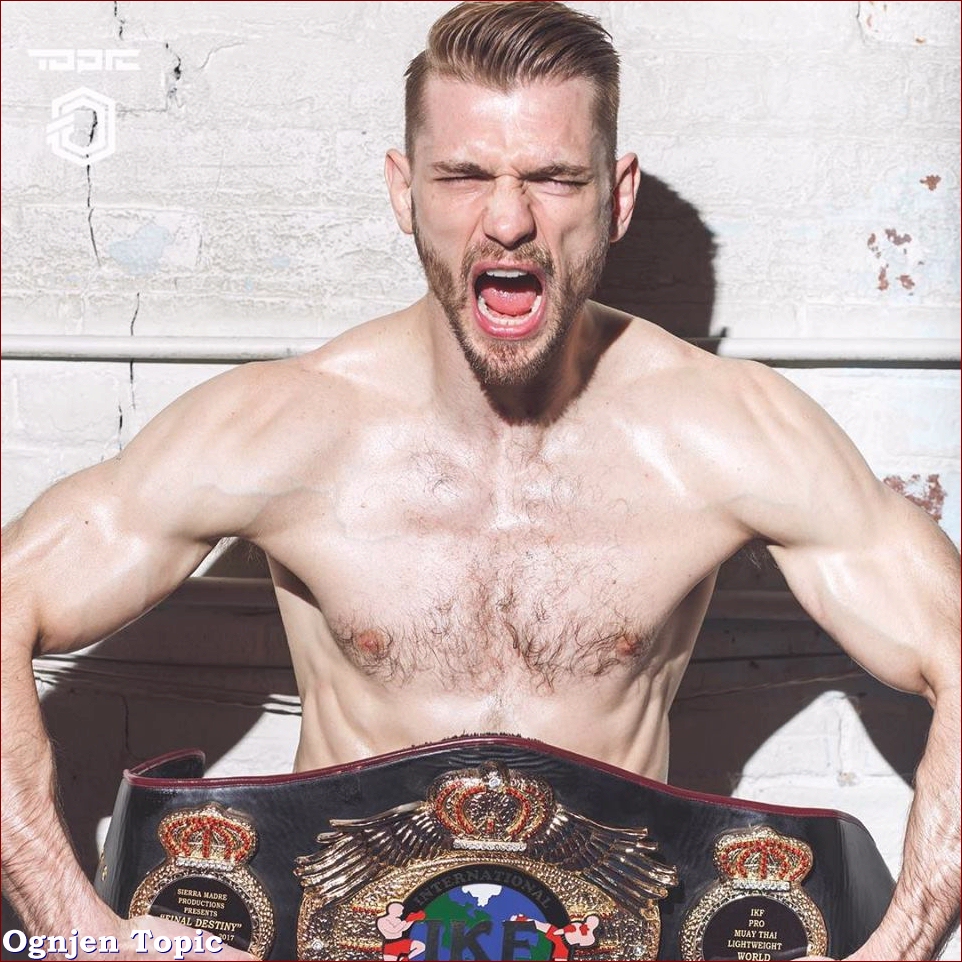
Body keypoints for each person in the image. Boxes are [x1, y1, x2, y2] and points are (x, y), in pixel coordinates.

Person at [1, 2, 958, 960]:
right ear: (403, 191)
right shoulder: (287, 429)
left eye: (555, 178)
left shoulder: (721, 434)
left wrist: (903, 945)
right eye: (463, 176)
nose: (507, 221)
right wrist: (75, 926)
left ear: (617, 196)